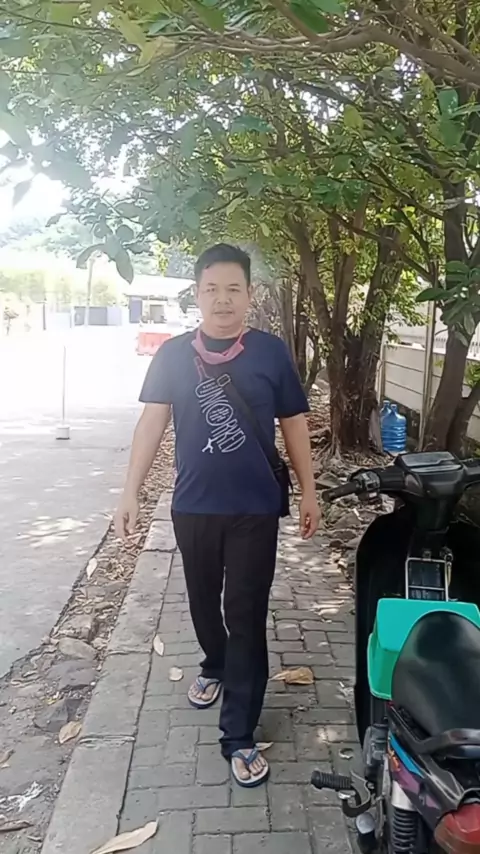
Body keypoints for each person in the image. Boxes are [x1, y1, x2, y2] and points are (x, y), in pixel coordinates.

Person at [115, 243, 319, 788]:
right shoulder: (173, 355)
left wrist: (309, 492)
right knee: (204, 602)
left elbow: (294, 424)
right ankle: (214, 663)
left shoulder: (271, 353)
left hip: (255, 508)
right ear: (198, 294)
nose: (222, 299)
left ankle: (239, 734)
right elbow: (151, 424)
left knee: (245, 613)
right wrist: (130, 492)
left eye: (233, 289)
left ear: (250, 294)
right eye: (212, 289)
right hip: (194, 505)